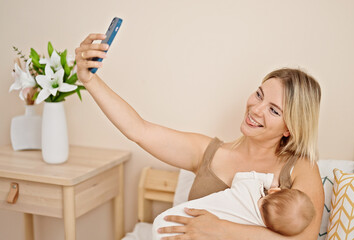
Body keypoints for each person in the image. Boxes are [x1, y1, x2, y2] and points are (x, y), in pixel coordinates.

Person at [75, 33, 324, 240]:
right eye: (259, 95)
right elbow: (138, 130)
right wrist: (89, 80)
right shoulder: (208, 151)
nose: (256, 109)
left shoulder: (300, 167)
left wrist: (222, 230)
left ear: (288, 128)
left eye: (273, 110)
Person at [152, 171, 315, 240]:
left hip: (170, 219)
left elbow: (240, 176)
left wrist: (266, 179)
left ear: (274, 191)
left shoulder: (251, 187)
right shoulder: (255, 229)